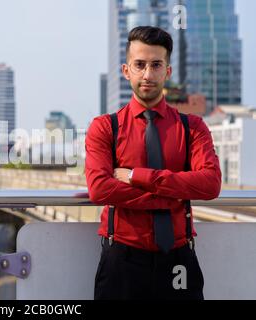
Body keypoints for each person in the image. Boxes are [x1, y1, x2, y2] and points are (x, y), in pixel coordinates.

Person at [85, 26, 222, 300]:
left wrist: (138, 176)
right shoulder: (105, 128)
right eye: (140, 65)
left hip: (178, 260)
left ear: (167, 72)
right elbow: (100, 189)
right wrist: (174, 195)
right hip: (122, 261)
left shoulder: (192, 127)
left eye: (156, 65)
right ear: (126, 71)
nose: (148, 74)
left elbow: (210, 184)